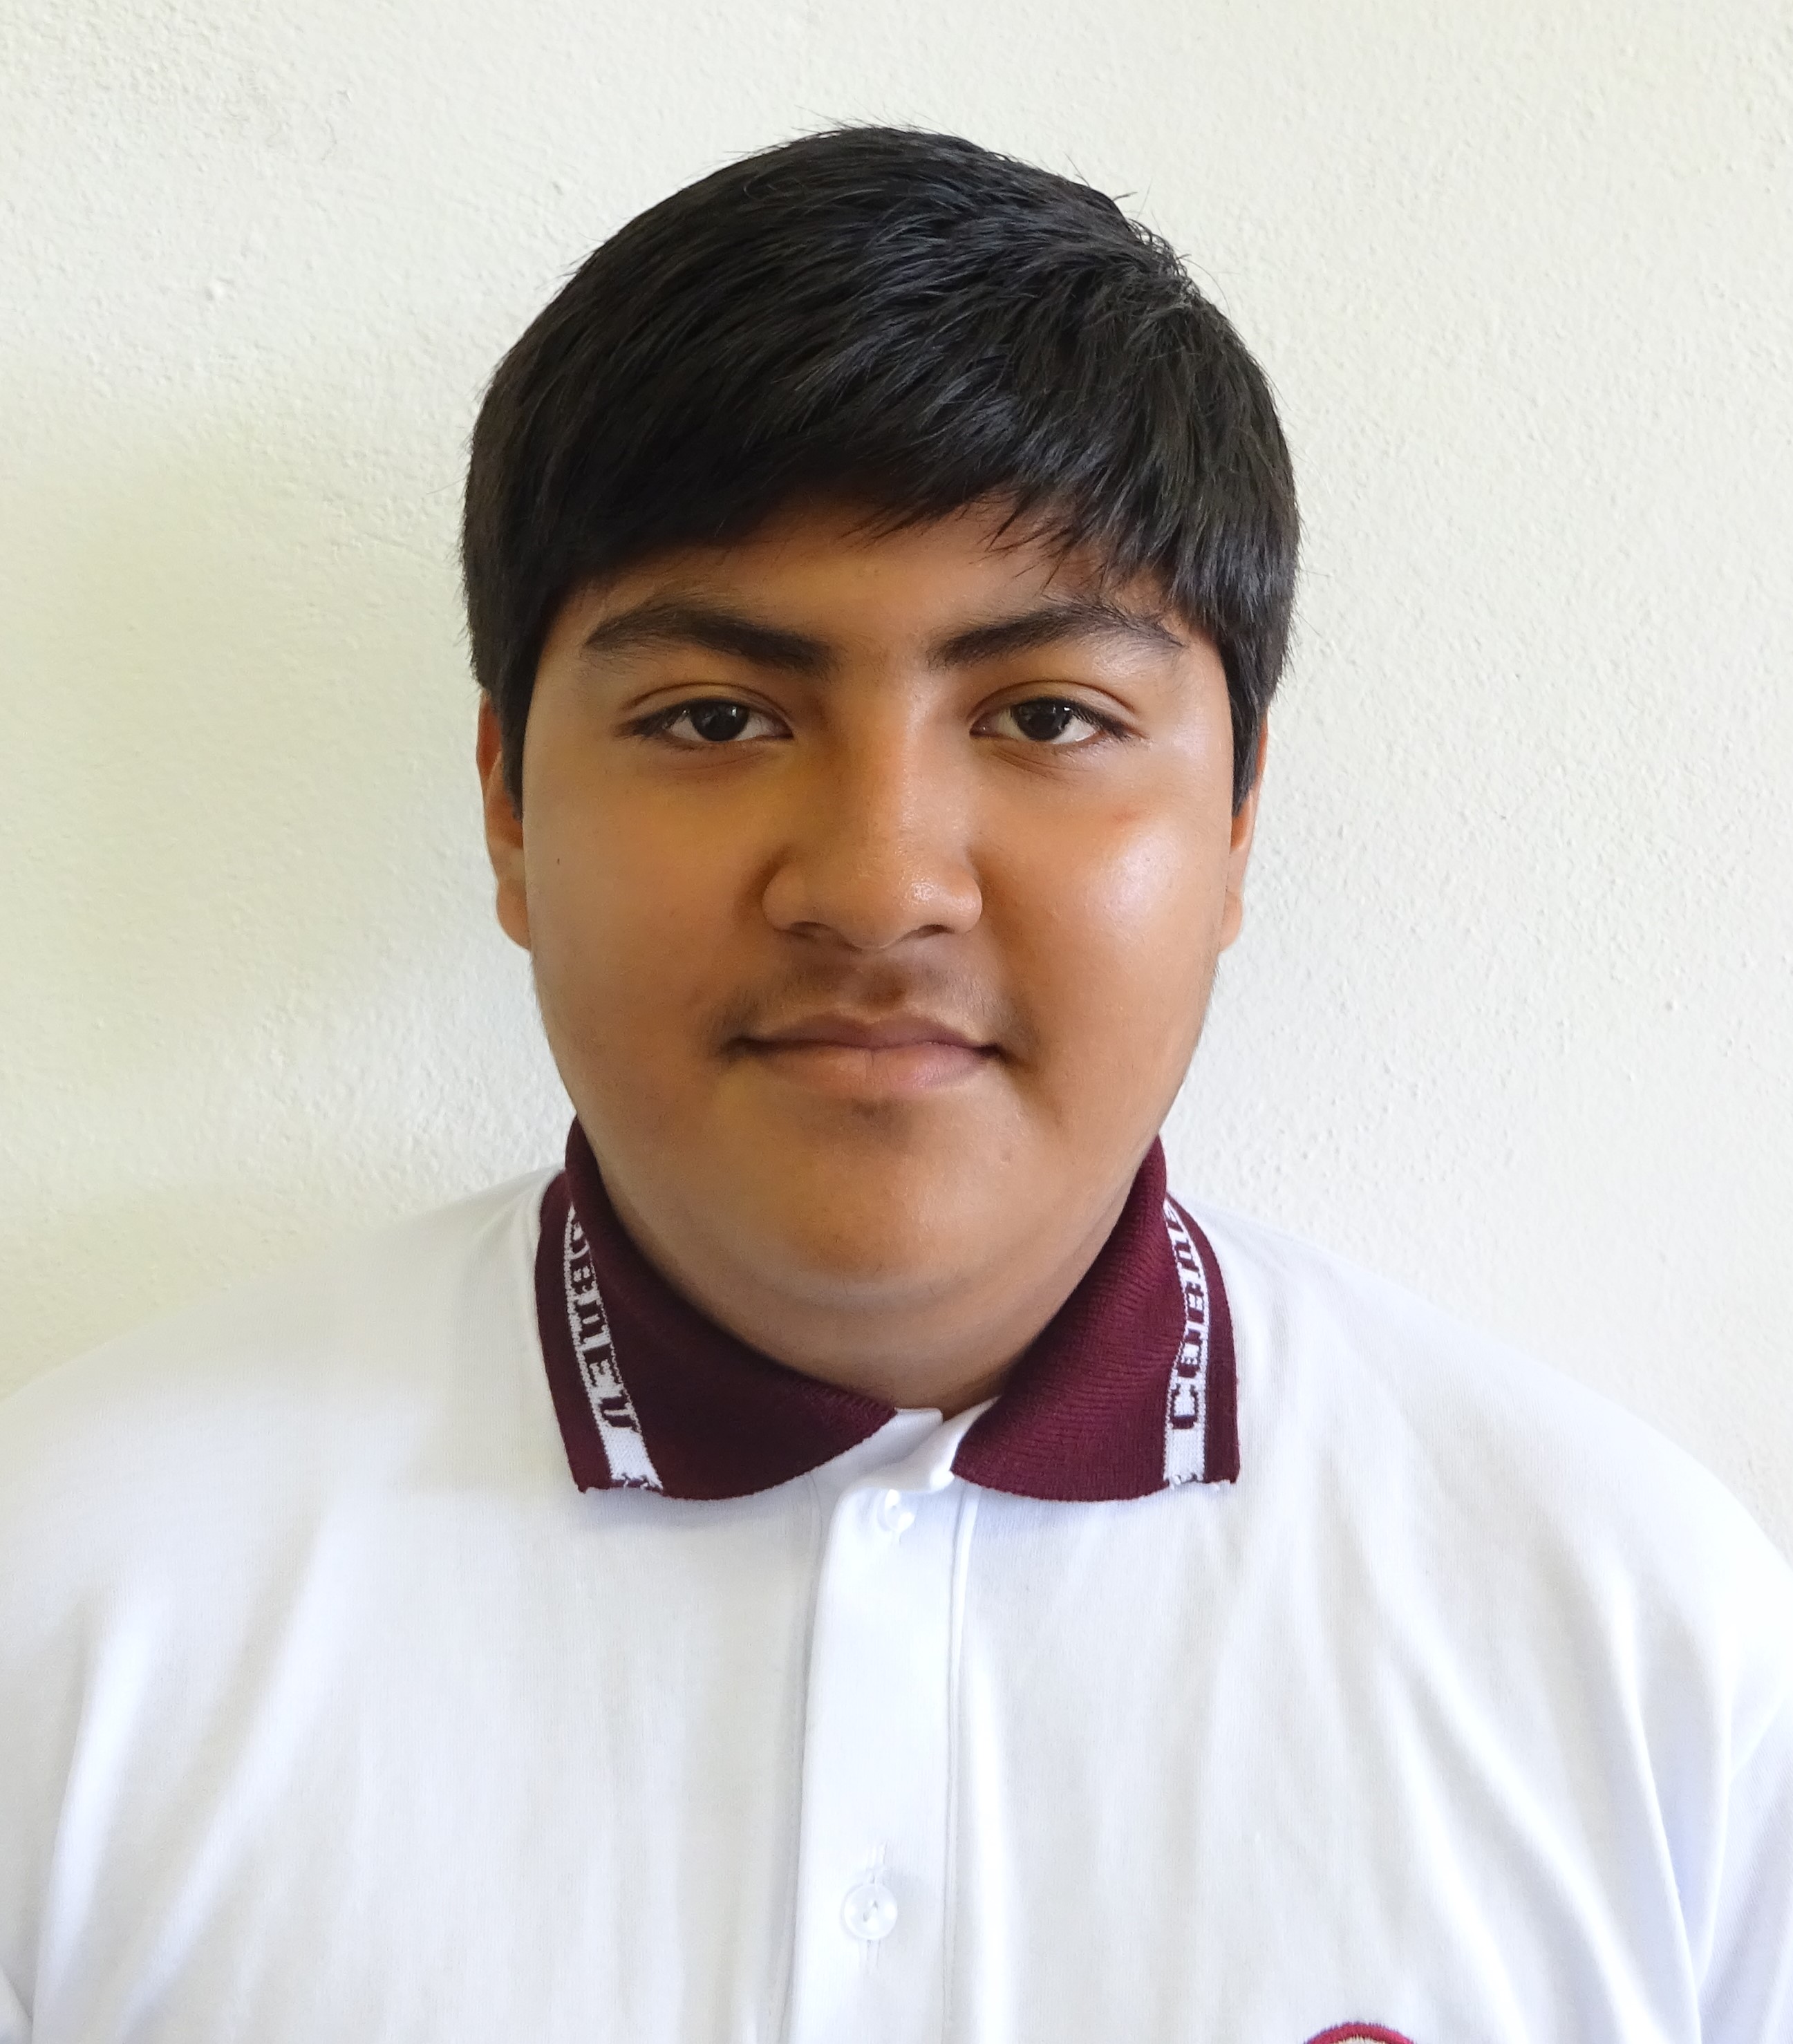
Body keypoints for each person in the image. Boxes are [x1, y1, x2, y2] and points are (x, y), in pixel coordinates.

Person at [1, 125, 1788, 2044]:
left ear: (1236, 817)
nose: (877, 885)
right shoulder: (70, 1594)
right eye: (715, 716)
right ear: (509, 808)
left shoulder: (1636, 1643)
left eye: (1047, 715)